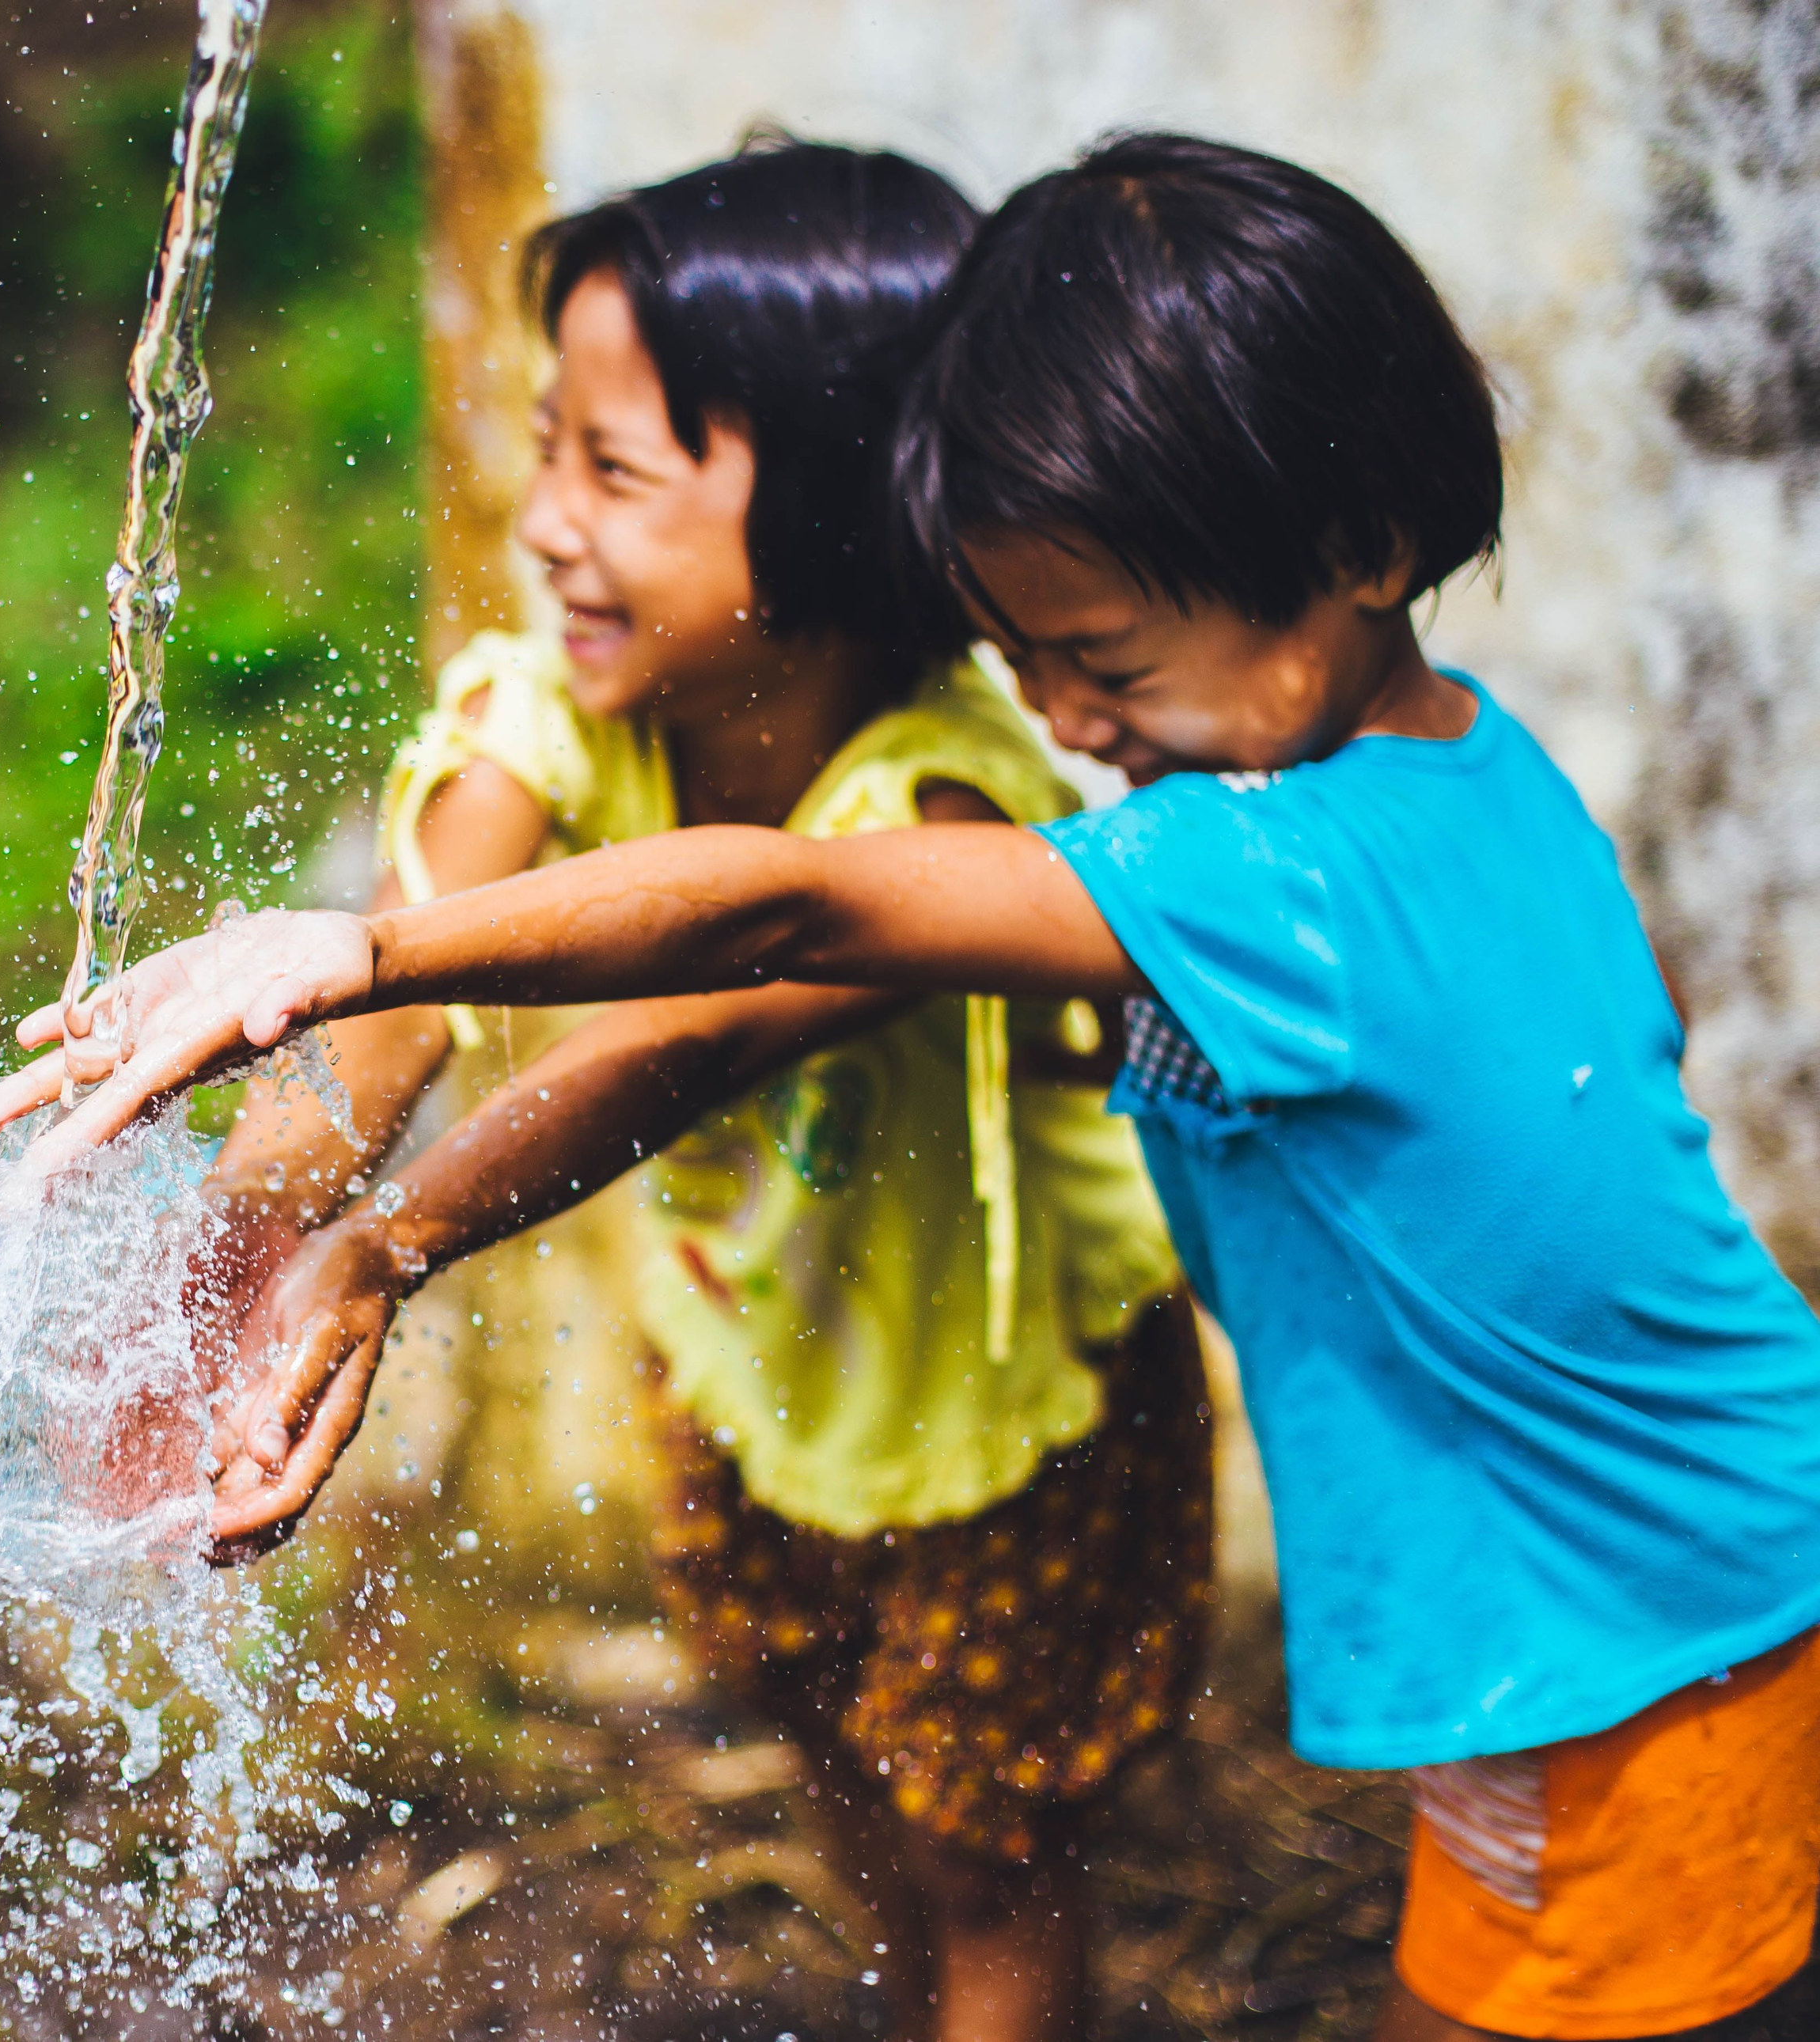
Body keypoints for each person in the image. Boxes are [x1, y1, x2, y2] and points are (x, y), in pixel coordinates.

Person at [0, 133, 1820, 2042]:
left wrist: (360, 950)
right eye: (1030, 661)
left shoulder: (1265, 869)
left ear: (1357, 552)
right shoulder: (1463, 775)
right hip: (1677, 1552)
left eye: (1101, 660)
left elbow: (784, 907)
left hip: (1627, 1616)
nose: (1071, 729)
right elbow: (1633, 1036)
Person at [162, 137, 1206, 2038]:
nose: (546, 517)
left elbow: (687, 1034)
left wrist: (393, 1245)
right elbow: (399, 982)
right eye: (547, 444)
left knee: (988, 1848)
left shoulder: (947, 789)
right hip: (749, 1362)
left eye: (615, 471)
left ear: (832, 516)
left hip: (1014, 1408)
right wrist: (240, 1236)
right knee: (821, 1736)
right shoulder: (563, 709)